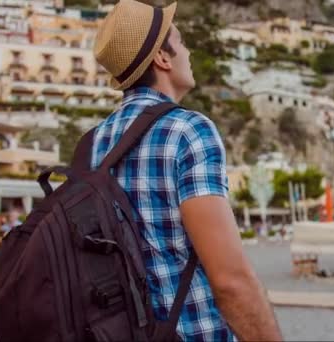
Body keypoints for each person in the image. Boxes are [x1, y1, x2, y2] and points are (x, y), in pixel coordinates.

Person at [92, 1, 282, 340]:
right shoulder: (188, 131)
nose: (189, 53)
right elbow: (231, 281)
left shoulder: (92, 145)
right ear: (163, 59)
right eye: (181, 43)